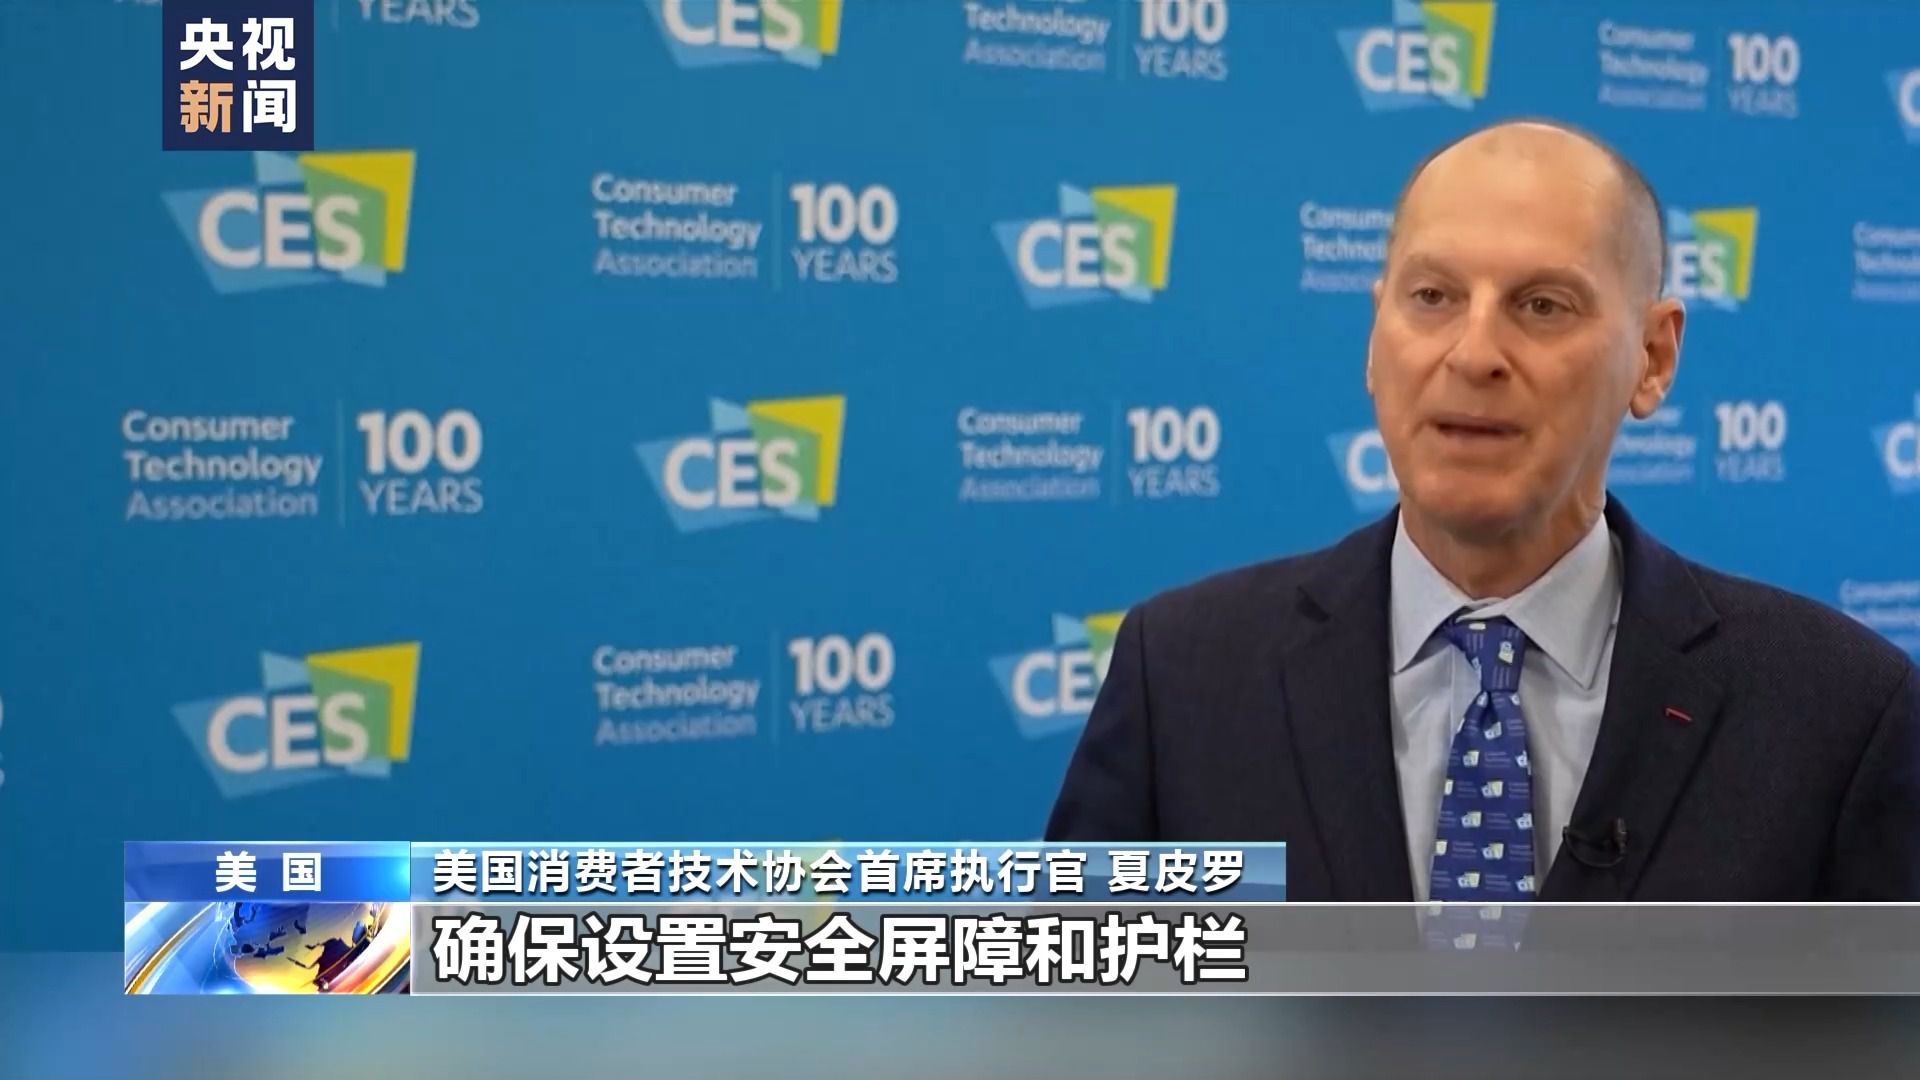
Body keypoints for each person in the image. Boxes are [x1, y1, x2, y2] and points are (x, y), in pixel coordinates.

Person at [1045, 118, 1920, 901]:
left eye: (1542, 306)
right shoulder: (1181, 676)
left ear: (1652, 358)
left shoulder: (1841, 712)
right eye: (1433, 297)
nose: (1473, 354)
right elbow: (1075, 1010)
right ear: (1375, 335)